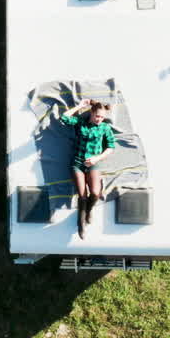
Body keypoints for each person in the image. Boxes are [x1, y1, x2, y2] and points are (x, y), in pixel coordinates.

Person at [60, 98, 115, 236]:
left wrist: (97, 158)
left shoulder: (105, 127)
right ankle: (81, 223)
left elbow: (111, 147)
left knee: (96, 193)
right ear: (91, 113)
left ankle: (89, 210)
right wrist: (79, 106)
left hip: (94, 163)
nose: (99, 119)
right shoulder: (81, 122)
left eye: (102, 117)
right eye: (97, 116)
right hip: (78, 163)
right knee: (82, 195)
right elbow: (64, 118)